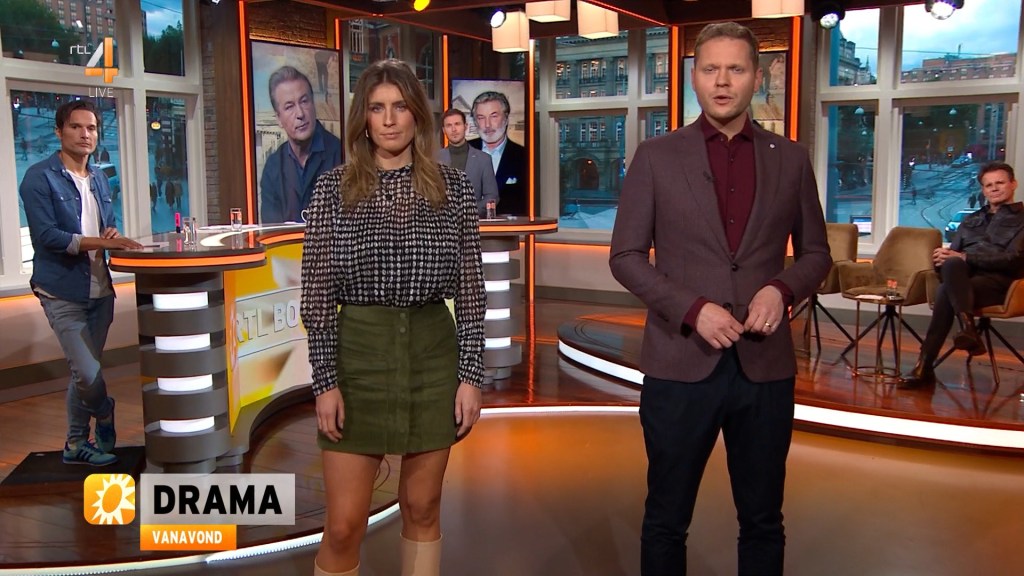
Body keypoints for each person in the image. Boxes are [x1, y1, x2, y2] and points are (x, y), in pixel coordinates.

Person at [609, 22, 831, 575]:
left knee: (763, 521)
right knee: (666, 519)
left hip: (764, 368)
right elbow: (626, 256)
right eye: (710, 69)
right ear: (694, 78)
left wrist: (781, 290)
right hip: (680, 363)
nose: (722, 81)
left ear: (758, 77)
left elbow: (816, 254)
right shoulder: (656, 156)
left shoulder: (791, 158)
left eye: (736, 69)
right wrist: (693, 309)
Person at [300, 59, 486, 576]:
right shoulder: (332, 189)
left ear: (417, 115)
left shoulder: (454, 189)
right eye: (377, 108)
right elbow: (317, 297)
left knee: (423, 506)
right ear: (362, 118)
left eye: (400, 106)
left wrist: (470, 375)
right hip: (358, 354)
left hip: (432, 352)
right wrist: (325, 382)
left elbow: (471, 291)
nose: (388, 119)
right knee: (344, 525)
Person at [19, 100, 143, 467]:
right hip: (61, 291)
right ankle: (104, 411)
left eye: (91, 128)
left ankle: (75, 443)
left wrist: (110, 233)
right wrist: (101, 241)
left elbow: (105, 224)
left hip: (100, 291)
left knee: (83, 372)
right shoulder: (39, 178)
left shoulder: (100, 177)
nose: (85, 134)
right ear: (59, 131)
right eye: (76, 127)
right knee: (88, 374)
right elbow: (47, 237)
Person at [900, 161, 1024, 389]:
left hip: (1002, 284)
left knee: (945, 291)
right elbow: (952, 260)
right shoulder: (971, 220)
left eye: (1000, 183)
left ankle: (925, 365)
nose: (994, 189)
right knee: (950, 271)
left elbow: (1014, 260)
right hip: (962, 281)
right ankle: (967, 329)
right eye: (989, 185)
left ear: (1013, 184)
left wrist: (964, 258)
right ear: (983, 190)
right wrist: (939, 260)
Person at [260, 65, 342, 223]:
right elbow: (272, 232)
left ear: (313, 104)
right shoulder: (273, 168)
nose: (300, 114)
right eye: (289, 107)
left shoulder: (342, 155)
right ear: (278, 118)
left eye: (304, 101)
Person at [469, 91, 527, 216]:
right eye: (481, 118)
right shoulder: (465, 151)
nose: (487, 125)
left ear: (506, 119)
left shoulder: (524, 156)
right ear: (475, 122)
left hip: (509, 226)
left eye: (494, 116)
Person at [437, 108, 499, 218]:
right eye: (449, 125)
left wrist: (469, 212)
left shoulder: (483, 159)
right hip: (443, 223)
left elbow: (492, 196)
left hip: (473, 222)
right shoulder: (434, 159)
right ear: (443, 130)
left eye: (457, 124)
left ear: (465, 126)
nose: (453, 129)